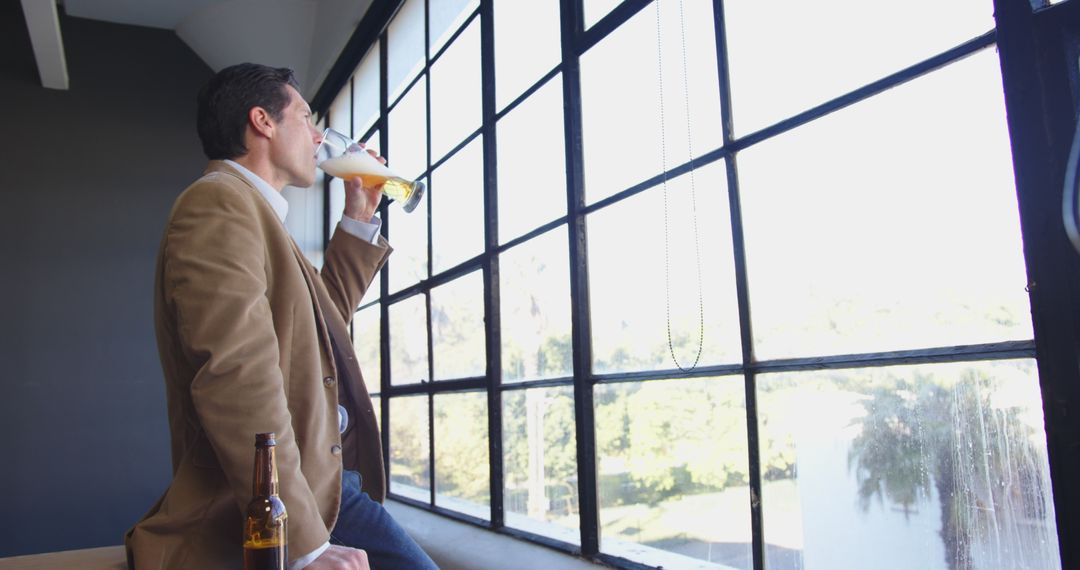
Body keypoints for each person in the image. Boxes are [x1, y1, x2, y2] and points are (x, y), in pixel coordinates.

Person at [124, 63, 437, 570]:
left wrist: (358, 218)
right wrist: (301, 543)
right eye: (306, 117)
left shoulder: (258, 214)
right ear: (263, 122)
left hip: (320, 483)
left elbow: (322, 322)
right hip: (284, 493)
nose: (318, 137)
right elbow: (235, 374)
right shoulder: (217, 204)